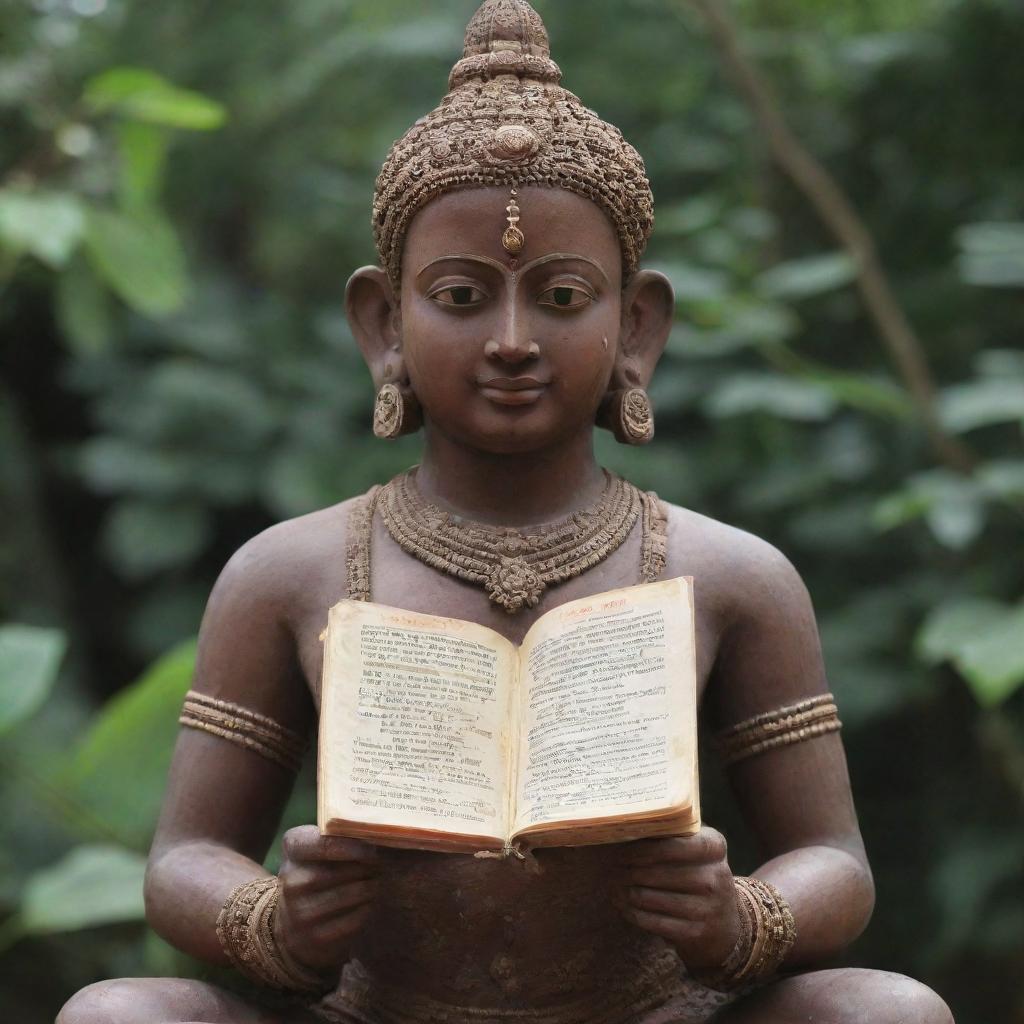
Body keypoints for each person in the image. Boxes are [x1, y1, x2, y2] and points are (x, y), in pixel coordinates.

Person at [57, 2, 954, 1022]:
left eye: (564, 297)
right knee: (116, 1013)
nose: (513, 339)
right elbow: (183, 857)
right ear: (382, 324)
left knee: (888, 1010)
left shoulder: (727, 576)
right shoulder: (292, 572)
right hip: (375, 1008)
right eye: (460, 294)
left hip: (642, 1009)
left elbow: (833, 860)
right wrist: (273, 916)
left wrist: (741, 916)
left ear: (639, 328)